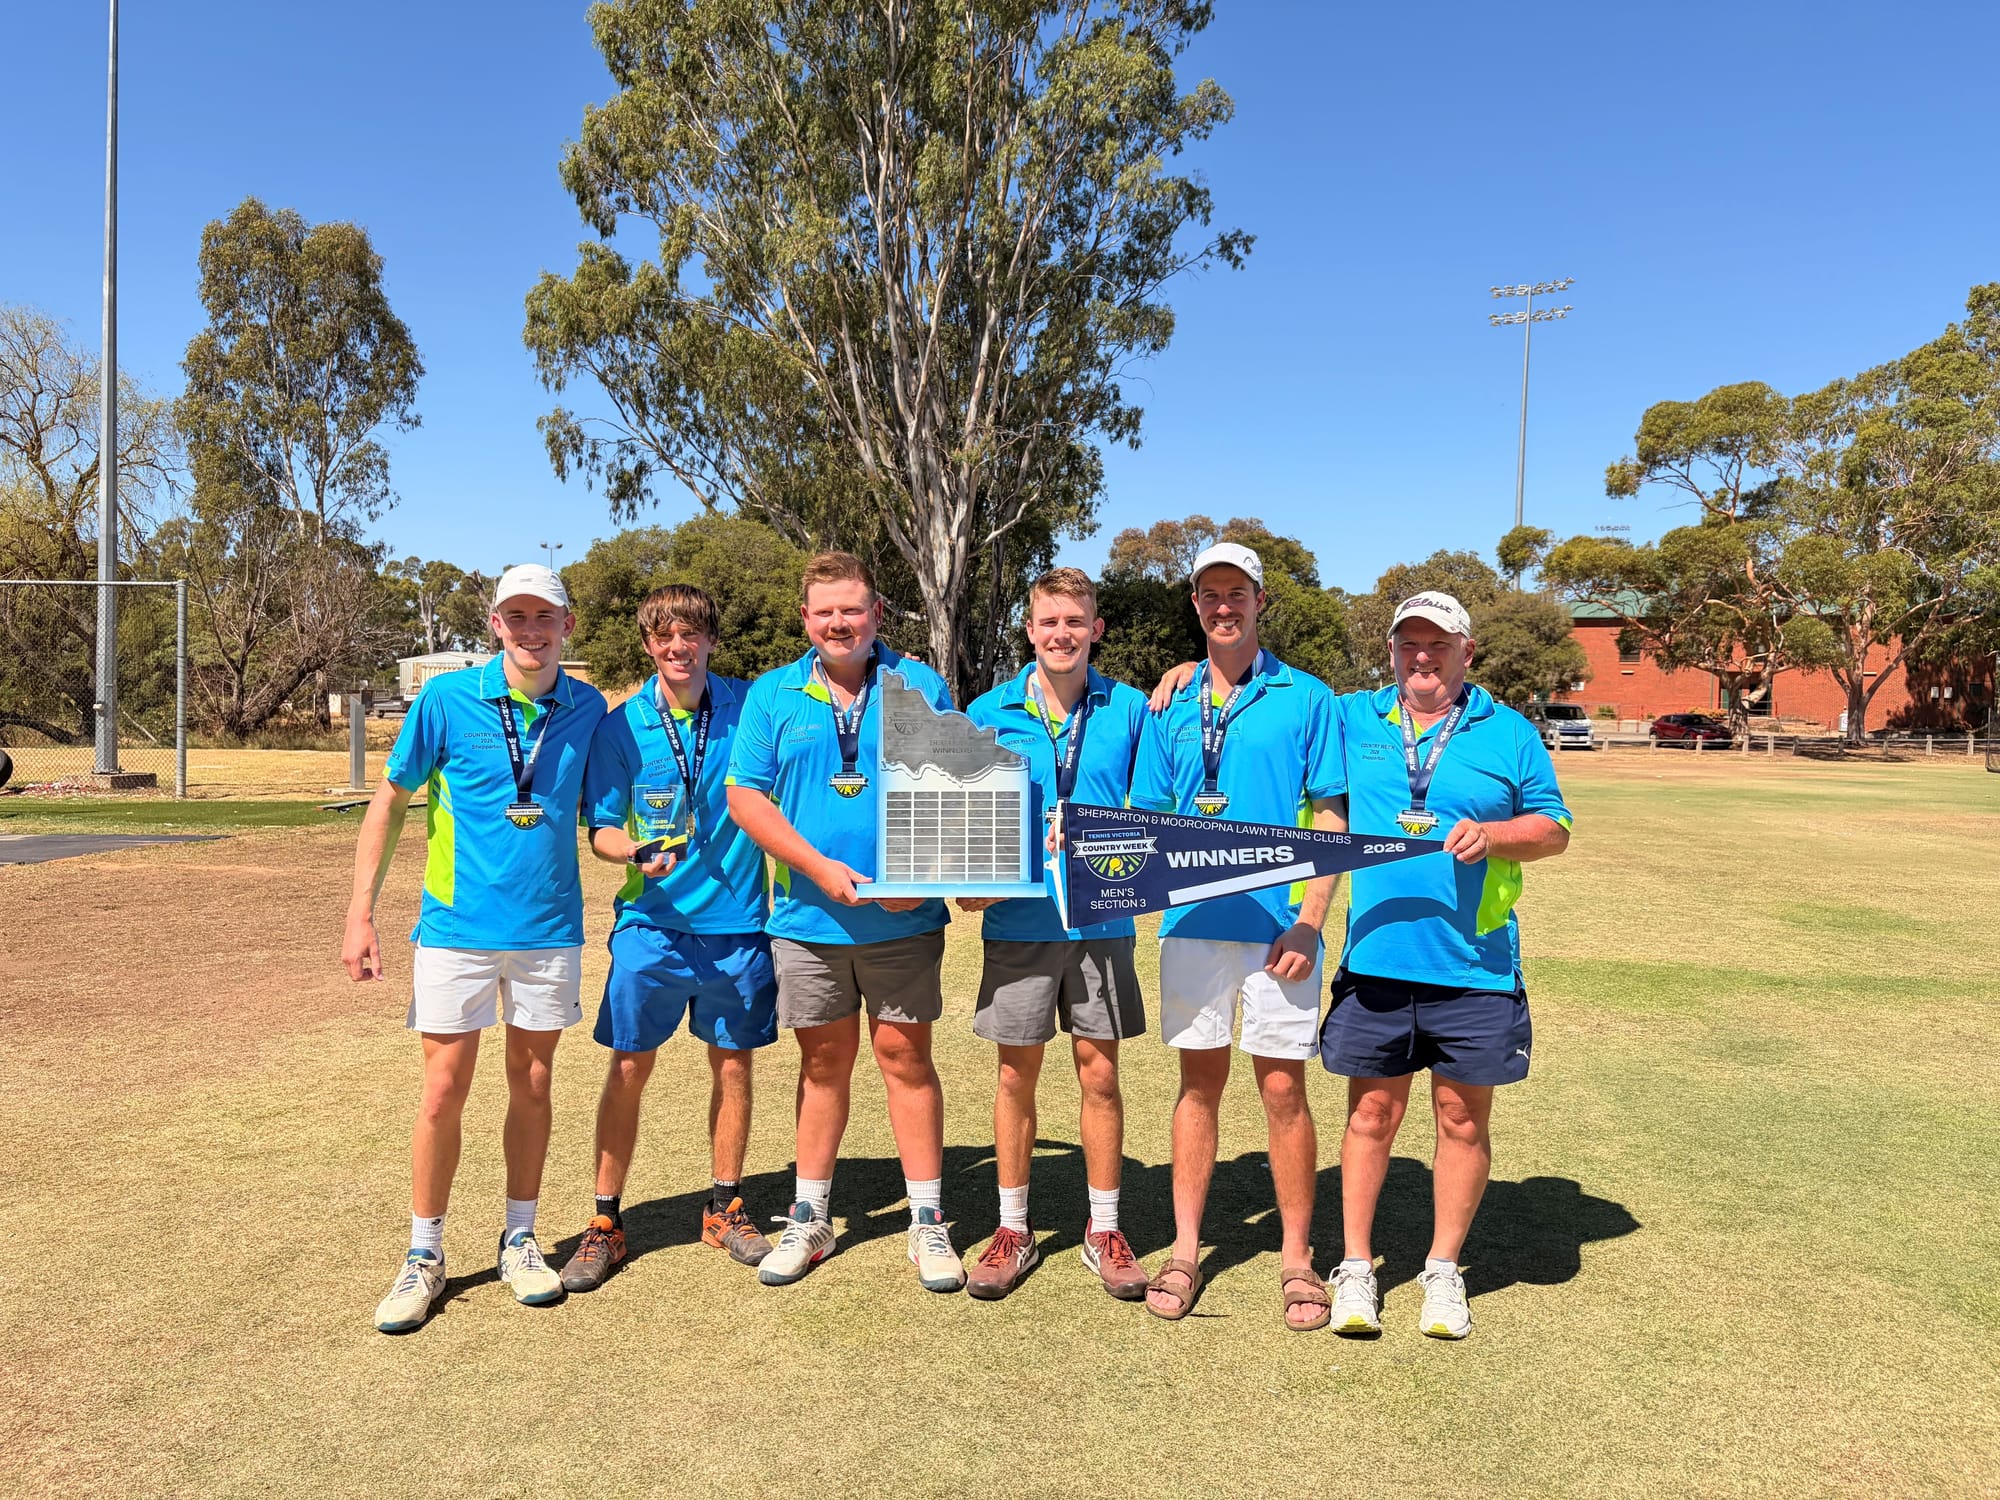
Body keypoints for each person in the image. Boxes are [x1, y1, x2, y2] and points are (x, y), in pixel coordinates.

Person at [343, 564, 608, 1333]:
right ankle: (425, 1254)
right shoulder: (446, 700)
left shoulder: (589, 708)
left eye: (544, 617)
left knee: (532, 1084)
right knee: (441, 1091)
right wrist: (360, 914)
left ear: (566, 625)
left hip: (549, 930)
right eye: (516, 616)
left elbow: (609, 810)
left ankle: (520, 1238)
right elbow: (390, 801)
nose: (531, 630)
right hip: (454, 930)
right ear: (495, 623)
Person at [1319, 591, 1572, 1341]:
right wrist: (1179, 673)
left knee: (1461, 1119)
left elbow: (1554, 829)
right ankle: (1358, 1270)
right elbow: (1274, 704)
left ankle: (1441, 1272)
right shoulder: (1352, 718)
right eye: (1408, 644)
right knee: (1371, 1116)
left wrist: (1495, 835)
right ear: (1392, 651)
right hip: (1380, 959)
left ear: (1467, 651)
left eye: (1437, 644)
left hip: (1476, 966)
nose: (1421, 657)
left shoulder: (1511, 732)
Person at [723, 552, 965, 1293]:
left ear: (877, 616)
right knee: (822, 1068)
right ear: (805, 620)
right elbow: (747, 798)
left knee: (906, 1062)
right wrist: (822, 868)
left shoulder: (918, 685)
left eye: (852, 609)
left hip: (903, 923)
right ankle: (810, 1215)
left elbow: (952, 789)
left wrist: (919, 878)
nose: (838, 622)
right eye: (824, 611)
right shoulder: (772, 696)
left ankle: (927, 1221)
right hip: (806, 921)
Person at [1129, 543, 1347, 1330]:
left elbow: (1331, 816)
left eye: (1238, 593)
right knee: (1198, 1086)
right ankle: (1186, 1249)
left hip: (1277, 928)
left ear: (1260, 602)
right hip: (1191, 924)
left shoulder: (1308, 698)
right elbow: (1149, 817)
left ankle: (1297, 1259)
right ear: (1194, 604)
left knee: (1284, 1086)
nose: (1225, 606)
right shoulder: (1169, 703)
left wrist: (1310, 920)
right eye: (1210, 594)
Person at [557, 584, 779, 1293]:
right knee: (627, 1068)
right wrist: (629, 852)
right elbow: (600, 829)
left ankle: (724, 1207)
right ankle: (605, 1222)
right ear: (648, 645)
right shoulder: (621, 728)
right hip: (650, 928)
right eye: (663, 638)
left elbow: (841, 659)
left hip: (739, 927)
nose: (677, 648)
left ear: (711, 639)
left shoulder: (754, 704)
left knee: (734, 1068)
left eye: (690, 635)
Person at [956, 568, 1153, 1301]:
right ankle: (1013, 1227)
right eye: (1049, 622)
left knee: (1100, 1073)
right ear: (1030, 630)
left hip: (1104, 921)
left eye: (1076, 621)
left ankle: (1103, 1229)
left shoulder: (1131, 708)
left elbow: (1156, 807)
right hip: (1019, 921)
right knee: (1016, 1074)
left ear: (1095, 629)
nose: (1062, 633)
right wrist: (970, 883)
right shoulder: (987, 713)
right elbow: (966, 825)